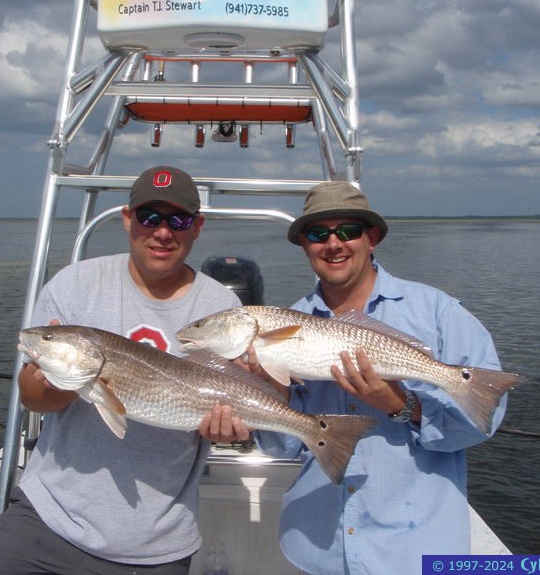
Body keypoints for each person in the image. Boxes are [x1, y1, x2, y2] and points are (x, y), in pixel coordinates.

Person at [202, 181, 509, 575]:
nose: (333, 243)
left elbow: (479, 426)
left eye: (347, 231)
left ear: (372, 238)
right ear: (304, 245)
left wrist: (402, 405)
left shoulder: (438, 313)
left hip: (412, 551)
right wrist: (271, 388)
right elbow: (281, 448)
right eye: (318, 234)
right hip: (318, 547)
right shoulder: (288, 320)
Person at [0, 166, 241, 575]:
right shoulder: (74, 285)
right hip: (48, 516)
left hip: (156, 541)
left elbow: (230, 396)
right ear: (128, 219)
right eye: (150, 217)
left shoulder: (221, 307)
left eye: (178, 220)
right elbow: (34, 397)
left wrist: (227, 428)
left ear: (196, 227)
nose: (163, 232)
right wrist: (59, 373)